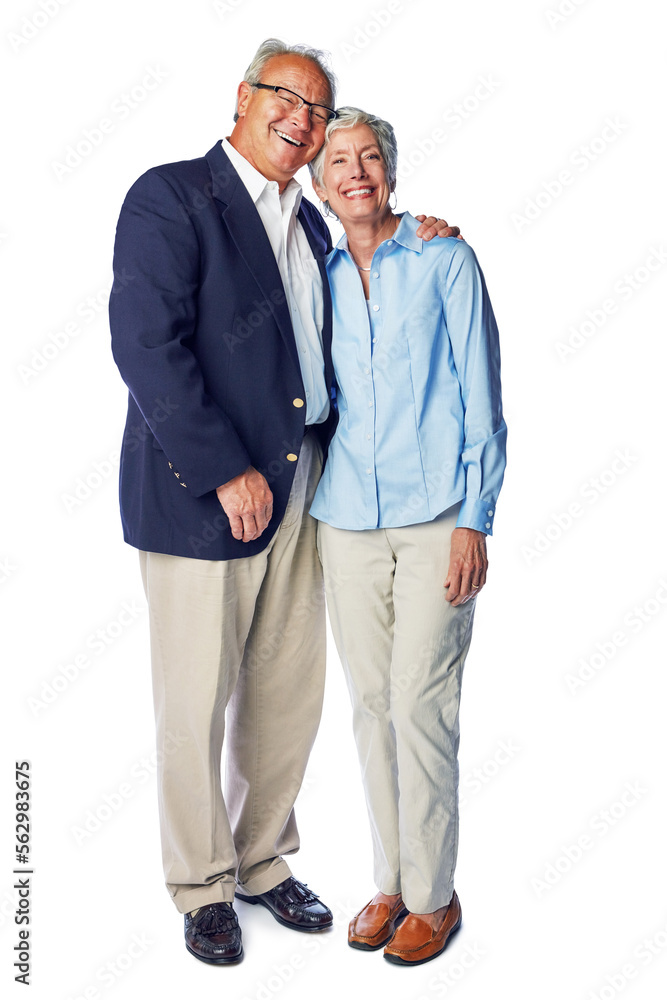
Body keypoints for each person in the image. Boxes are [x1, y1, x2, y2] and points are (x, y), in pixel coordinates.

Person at [109, 39, 458, 966]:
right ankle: (201, 885)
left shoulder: (308, 224)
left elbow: (371, 265)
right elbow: (148, 345)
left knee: (285, 691)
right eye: (285, 97)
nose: (300, 119)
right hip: (204, 495)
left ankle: (262, 861)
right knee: (196, 698)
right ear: (243, 96)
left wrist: (425, 233)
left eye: (317, 107)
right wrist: (224, 469)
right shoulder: (172, 195)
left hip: (308, 488)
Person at [309, 107, 507, 966]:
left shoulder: (444, 259)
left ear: (390, 169)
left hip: (436, 523)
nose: (356, 172)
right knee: (370, 709)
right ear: (316, 187)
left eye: (369, 158)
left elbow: (482, 399)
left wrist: (476, 518)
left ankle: (433, 896)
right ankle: (388, 880)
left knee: (422, 706)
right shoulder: (309, 274)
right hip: (345, 520)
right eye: (338, 162)